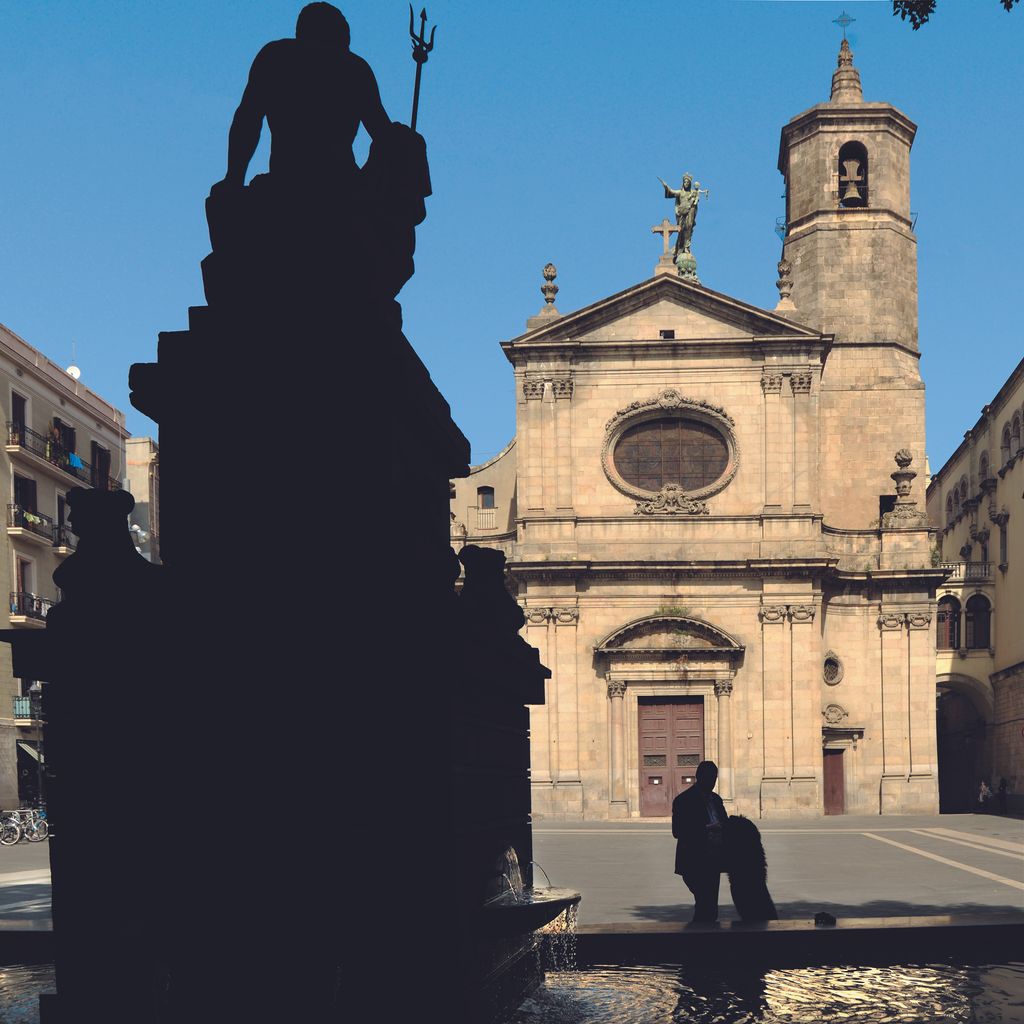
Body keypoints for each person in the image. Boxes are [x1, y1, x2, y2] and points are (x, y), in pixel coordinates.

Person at [213, 3, 390, 191]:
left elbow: (247, 119)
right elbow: (248, 119)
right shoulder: (354, 68)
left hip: (312, 182)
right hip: (328, 184)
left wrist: (234, 177)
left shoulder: (276, 57)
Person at [672, 760, 727, 923]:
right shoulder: (683, 801)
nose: (712, 782)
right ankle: (701, 938)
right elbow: (678, 831)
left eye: (714, 778)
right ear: (698, 777)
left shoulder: (716, 800)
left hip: (714, 858)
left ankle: (702, 938)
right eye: (709, 778)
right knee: (705, 902)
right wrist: (708, 828)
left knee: (709, 905)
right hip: (694, 858)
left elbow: (724, 822)